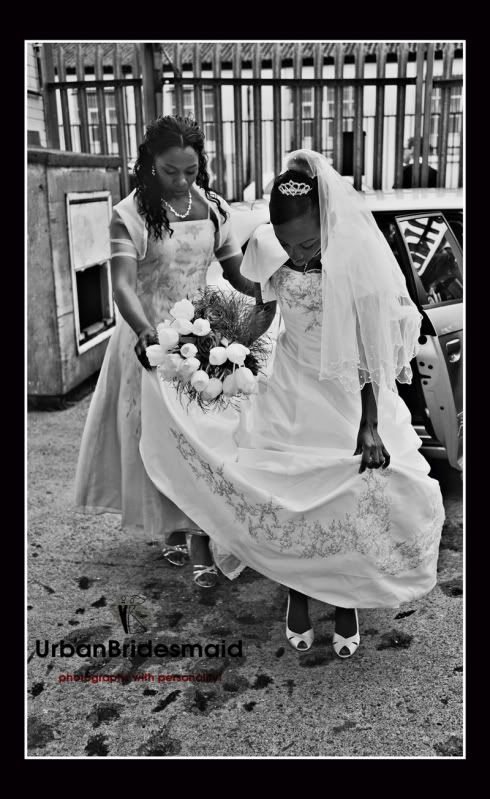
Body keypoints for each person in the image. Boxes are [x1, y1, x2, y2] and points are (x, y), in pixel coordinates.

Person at [139, 149, 445, 658]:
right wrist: (222, 348)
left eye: (306, 242)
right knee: (287, 499)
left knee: (348, 495)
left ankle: (344, 599)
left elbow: (371, 348)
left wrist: (370, 424)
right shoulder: (270, 248)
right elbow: (266, 310)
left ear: (327, 222)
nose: (297, 254)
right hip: (290, 389)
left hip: (348, 394)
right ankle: (298, 592)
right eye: (286, 243)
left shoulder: (357, 260)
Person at [74, 115, 255, 588]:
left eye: (190, 171)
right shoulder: (129, 214)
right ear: (149, 164)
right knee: (155, 439)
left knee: (202, 437)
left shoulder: (214, 208)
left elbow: (235, 272)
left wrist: (279, 290)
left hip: (203, 334)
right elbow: (121, 284)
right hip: (152, 340)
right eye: (170, 171)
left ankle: (199, 533)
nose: (181, 180)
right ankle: (174, 526)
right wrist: (143, 330)